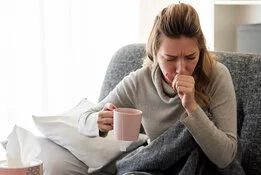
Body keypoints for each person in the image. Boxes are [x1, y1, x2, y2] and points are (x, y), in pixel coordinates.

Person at [78, 2, 237, 170]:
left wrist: (191, 106)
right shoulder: (139, 82)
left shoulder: (216, 75)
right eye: (170, 59)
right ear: (154, 54)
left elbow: (225, 157)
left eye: (190, 57)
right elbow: (84, 120)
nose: (181, 69)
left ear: (201, 50)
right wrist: (99, 121)